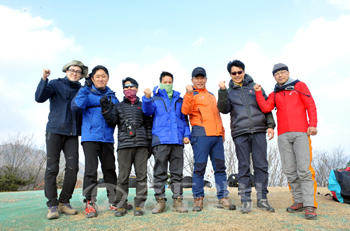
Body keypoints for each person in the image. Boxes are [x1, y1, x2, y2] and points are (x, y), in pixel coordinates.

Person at [253, 63, 318, 220]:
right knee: (289, 169)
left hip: (301, 132)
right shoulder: (275, 93)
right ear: (274, 77)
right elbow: (266, 108)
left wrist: (312, 125)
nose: (280, 75)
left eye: (283, 72)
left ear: (288, 73)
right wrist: (257, 93)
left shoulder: (299, 85)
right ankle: (298, 201)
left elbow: (310, 105)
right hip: (283, 135)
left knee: (303, 169)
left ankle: (310, 205)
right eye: (277, 74)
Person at [217, 60, 276, 214]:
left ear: (244, 71)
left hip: (258, 130)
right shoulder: (228, 91)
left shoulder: (255, 87)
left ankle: (262, 199)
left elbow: (266, 107)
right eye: (234, 73)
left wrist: (270, 125)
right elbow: (223, 109)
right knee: (243, 167)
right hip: (240, 132)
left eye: (239, 72)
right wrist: (222, 91)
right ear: (230, 74)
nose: (237, 75)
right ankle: (245, 201)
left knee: (261, 165)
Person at [35, 60, 88, 220]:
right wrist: (44, 78)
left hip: (72, 133)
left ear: (81, 75)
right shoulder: (55, 84)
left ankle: (64, 202)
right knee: (52, 168)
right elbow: (39, 98)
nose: (75, 73)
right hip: (54, 131)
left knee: (73, 168)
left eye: (78, 71)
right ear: (66, 70)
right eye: (72, 70)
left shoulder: (81, 89)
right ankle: (52, 205)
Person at [181, 67, 236, 212]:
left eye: (202, 78)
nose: (199, 80)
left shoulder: (212, 96)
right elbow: (185, 111)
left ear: (206, 79)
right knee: (199, 169)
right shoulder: (190, 94)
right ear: (192, 80)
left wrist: (222, 133)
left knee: (220, 169)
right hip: (201, 136)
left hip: (217, 137)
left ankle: (223, 197)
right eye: (196, 78)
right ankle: (198, 199)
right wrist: (188, 94)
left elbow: (217, 116)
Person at [71, 65, 120, 218]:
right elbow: (76, 107)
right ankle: (90, 202)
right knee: (91, 170)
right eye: (97, 76)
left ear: (108, 78)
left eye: (103, 76)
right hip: (90, 137)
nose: (101, 79)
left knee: (110, 170)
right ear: (92, 79)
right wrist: (85, 88)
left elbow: (117, 118)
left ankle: (114, 201)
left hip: (107, 139)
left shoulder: (113, 96)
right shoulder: (86, 93)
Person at [100, 77, 152, 217]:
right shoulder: (118, 106)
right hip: (124, 146)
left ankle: (139, 205)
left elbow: (148, 126)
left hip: (141, 145)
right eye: (126, 86)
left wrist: (149, 145)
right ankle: (121, 205)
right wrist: (105, 108)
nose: (129, 89)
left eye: (132, 86)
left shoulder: (143, 106)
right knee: (122, 177)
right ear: (123, 90)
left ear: (137, 89)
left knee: (142, 176)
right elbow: (112, 121)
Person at [142, 71, 191, 214]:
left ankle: (178, 201)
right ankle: (160, 201)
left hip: (177, 141)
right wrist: (146, 98)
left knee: (177, 173)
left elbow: (184, 119)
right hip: (160, 140)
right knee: (160, 172)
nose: (168, 84)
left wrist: (186, 134)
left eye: (170, 82)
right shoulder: (155, 99)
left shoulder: (179, 100)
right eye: (165, 82)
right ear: (160, 83)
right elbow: (147, 111)